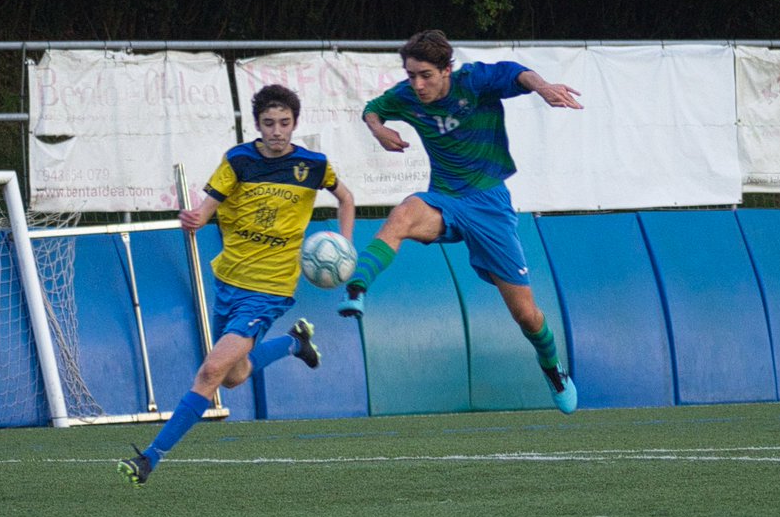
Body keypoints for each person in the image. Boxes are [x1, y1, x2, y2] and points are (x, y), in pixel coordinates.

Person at [119, 84, 355, 485]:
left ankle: (150, 458)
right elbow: (205, 210)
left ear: (295, 123)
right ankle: (293, 343)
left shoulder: (313, 165)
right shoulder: (238, 160)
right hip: (230, 281)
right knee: (233, 374)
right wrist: (195, 219)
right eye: (269, 123)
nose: (277, 131)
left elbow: (346, 198)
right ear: (256, 125)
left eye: (284, 123)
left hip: (271, 288)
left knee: (211, 370)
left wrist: (344, 245)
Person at [338, 29, 582, 414]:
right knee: (402, 214)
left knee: (526, 315)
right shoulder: (407, 95)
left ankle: (552, 367)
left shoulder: (475, 82)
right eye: (411, 75)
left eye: (426, 75)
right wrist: (378, 127)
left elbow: (517, 72)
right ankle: (356, 289)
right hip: (445, 200)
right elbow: (372, 107)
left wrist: (543, 88)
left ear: (447, 70)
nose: (417, 84)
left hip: (489, 205)